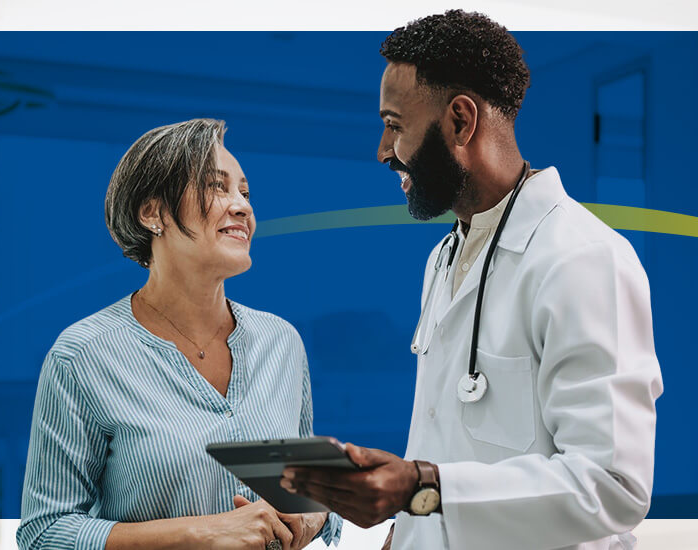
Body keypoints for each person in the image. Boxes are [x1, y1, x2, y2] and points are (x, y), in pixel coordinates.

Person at [280, 11, 662, 550]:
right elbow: (450, 444)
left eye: (395, 125)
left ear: (461, 121)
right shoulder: (444, 257)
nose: (383, 150)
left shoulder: (583, 259)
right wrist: (405, 529)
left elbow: (612, 487)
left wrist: (420, 487)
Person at [17, 119, 340, 550]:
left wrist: (317, 509)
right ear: (152, 213)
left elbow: (305, 491)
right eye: (216, 187)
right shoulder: (83, 357)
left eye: (244, 192)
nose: (242, 206)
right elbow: (44, 532)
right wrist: (199, 533)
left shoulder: (281, 342)